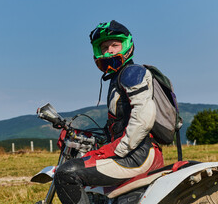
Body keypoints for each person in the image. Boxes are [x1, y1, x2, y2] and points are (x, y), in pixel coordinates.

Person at [53, 20, 165, 204]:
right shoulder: (118, 79)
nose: (110, 50)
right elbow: (117, 127)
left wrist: (118, 149)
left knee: (65, 174)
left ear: (126, 45)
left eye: (115, 45)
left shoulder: (132, 73)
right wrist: (80, 135)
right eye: (104, 47)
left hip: (138, 155)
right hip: (136, 152)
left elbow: (144, 116)